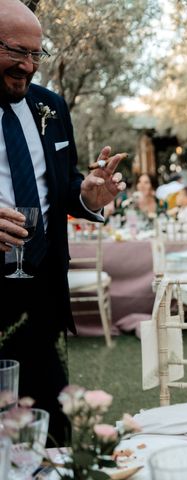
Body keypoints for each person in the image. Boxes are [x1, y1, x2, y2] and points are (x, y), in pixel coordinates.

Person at [0, 0, 126, 445]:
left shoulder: (49, 106)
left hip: (42, 296)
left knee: (50, 427)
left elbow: (64, 183)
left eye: (36, 54)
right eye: (17, 51)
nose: (27, 66)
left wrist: (87, 195)